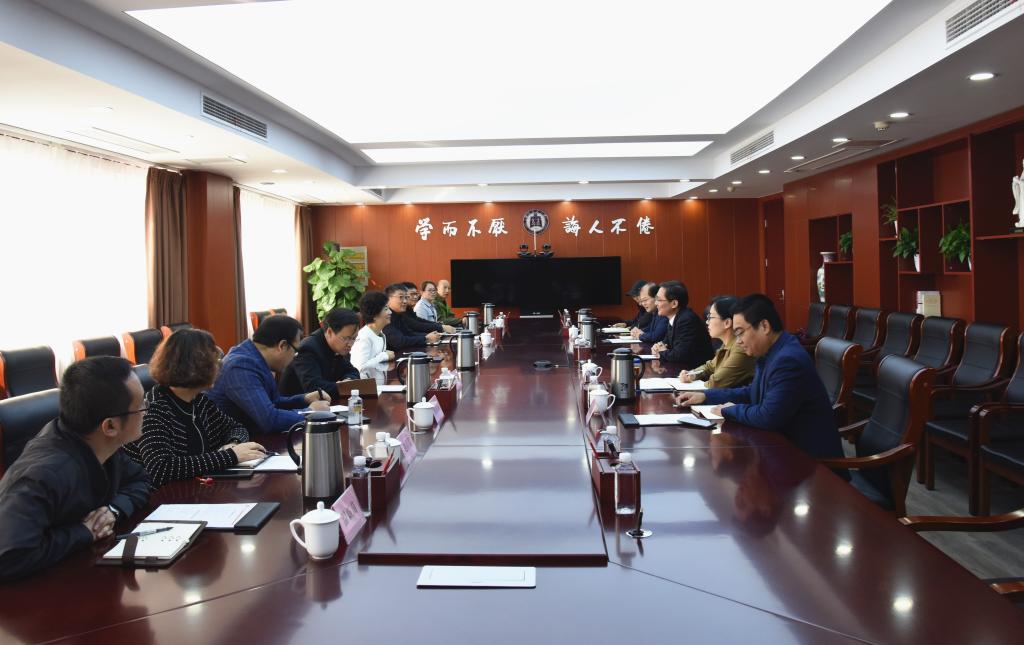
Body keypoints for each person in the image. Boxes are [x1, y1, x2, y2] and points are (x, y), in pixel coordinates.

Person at [0, 356, 150, 581]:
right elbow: (9, 557)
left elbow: (140, 480)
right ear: (110, 426)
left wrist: (113, 511)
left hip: (84, 572)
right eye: (140, 407)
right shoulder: (44, 476)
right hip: (36, 593)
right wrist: (84, 532)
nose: (146, 411)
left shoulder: (101, 445)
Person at [675, 294, 843, 459]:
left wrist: (729, 410)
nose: (738, 341)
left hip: (809, 462)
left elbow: (768, 416)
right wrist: (706, 396)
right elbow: (752, 392)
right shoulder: (771, 351)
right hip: (782, 449)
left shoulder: (788, 360)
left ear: (764, 326)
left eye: (740, 333)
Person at [124, 329, 266, 487]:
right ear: (199, 367)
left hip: (197, 488)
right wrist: (231, 456)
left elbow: (235, 427)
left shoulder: (199, 401)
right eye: (216, 361)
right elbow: (161, 469)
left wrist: (233, 443)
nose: (220, 367)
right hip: (161, 496)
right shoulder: (154, 409)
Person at [207, 315, 330, 434]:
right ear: (282, 346)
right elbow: (269, 420)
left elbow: (274, 402)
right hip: (232, 443)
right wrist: (310, 412)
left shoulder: (254, 357)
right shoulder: (240, 366)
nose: (294, 357)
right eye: (295, 351)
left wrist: (304, 399)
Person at [678, 295, 757, 388]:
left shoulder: (741, 347)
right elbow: (709, 368)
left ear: (727, 323)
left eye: (711, 317)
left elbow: (716, 382)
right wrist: (692, 374)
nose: (707, 322)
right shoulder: (726, 344)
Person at [279, 308, 360, 396]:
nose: (350, 344)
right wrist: (344, 387)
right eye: (346, 338)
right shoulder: (308, 348)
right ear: (329, 332)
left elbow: (352, 371)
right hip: (297, 403)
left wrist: (348, 380)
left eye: (354, 339)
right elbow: (313, 387)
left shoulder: (340, 347)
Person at [649, 281, 714, 368]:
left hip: (697, 371)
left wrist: (661, 352)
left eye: (659, 300)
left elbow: (680, 355)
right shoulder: (674, 317)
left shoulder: (687, 320)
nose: (656, 303)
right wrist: (657, 347)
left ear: (674, 304)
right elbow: (665, 344)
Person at [382, 283, 442, 349]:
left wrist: (431, 336)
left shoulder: (399, 314)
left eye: (406, 297)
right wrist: (426, 338)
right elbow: (399, 341)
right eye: (401, 297)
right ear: (388, 299)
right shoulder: (385, 317)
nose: (405, 301)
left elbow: (409, 333)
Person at [352, 290, 396, 375]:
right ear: (374, 315)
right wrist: (384, 356)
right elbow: (359, 367)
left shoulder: (380, 333)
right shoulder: (364, 337)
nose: (390, 312)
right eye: (386, 309)